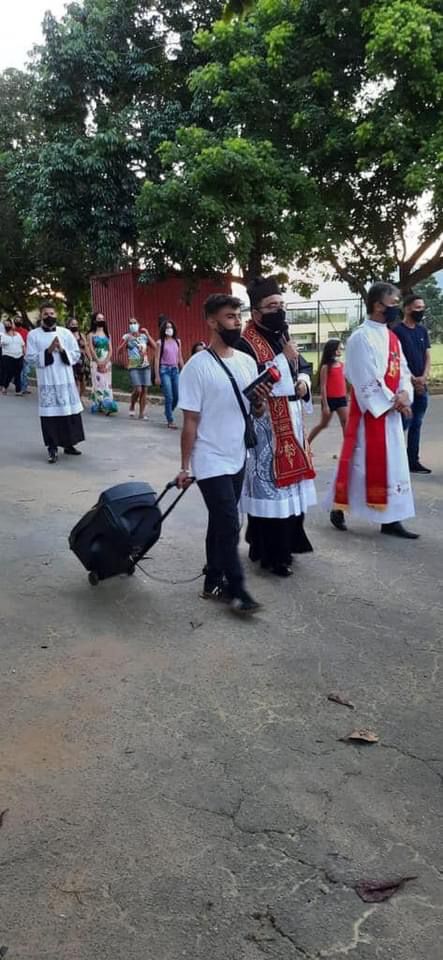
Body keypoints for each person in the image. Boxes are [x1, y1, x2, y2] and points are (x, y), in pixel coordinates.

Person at [177, 293, 268, 615]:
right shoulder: (196, 368)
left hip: (237, 454)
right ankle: (237, 589)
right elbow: (190, 421)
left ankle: (212, 581)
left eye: (238, 316)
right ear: (212, 322)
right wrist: (185, 466)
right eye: (230, 317)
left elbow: (255, 412)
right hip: (208, 458)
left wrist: (259, 402)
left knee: (220, 522)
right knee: (230, 523)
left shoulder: (246, 362)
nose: (236, 322)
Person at [236, 276, 316, 577]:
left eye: (281, 304)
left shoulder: (283, 334)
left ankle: (286, 544)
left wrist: (303, 381)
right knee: (269, 491)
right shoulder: (245, 342)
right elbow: (252, 381)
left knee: (291, 488)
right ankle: (272, 554)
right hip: (266, 426)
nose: (279, 310)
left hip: (292, 423)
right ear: (256, 312)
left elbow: (303, 365)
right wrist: (284, 359)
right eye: (272, 306)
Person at [329, 281, 418, 539]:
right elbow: (363, 377)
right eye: (393, 303)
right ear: (378, 305)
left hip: (390, 416)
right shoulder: (360, 337)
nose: (397, 308)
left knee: (394, 467)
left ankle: (391, 519)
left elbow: (403, 371)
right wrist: (393, 401)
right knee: (360, 466)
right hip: (370, 416)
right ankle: (339, 506)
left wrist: (405, 394)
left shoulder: (392, 337)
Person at [26, 302, 85, 463]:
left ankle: (69, 444)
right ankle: (52, 448)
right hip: (48, 380)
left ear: (56, 315)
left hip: (65, 379)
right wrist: (49, 350)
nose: (49, 316)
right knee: (51, 415)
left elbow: (76, 354)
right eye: (46, 314)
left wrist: (63, 350)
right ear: (41, 316)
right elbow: (30, 358)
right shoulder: (34, 335)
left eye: (52, 313)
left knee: (68, 413)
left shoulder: (65, 333)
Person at [394, 293, 432, 474]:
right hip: (405, 387)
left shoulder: (422, 331)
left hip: (421, 386)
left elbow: (427, 356)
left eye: (422, 308)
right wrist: (411, 379)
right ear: (407, 308)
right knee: (402, 424)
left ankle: (413, 461)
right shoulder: (397, 332)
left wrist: (423, 377)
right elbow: (397, 360)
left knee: (417, 423)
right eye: (417, 307)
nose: (420, 311)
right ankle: (395, 461)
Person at [308, 339, 348, 445]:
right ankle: (307, 442)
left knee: (345, 422)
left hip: (341, 399)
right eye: (338, 348)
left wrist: (347, 395)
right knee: (323, 424)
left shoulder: (342, 365)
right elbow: (323, 386)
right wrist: (325, 405)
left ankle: (347, 447)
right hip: (329, 400)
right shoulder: (325, 367)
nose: (340, 350)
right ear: (333, 350)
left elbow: (344, 382)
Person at [117, 318, 156, 420]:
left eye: (135, 323)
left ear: (138, 324)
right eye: (131, 323)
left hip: (145, 365)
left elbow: (155, 347)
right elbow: (119, 351)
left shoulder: (143, 336)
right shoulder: (126, 336)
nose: (133, 325)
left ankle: (142, 413)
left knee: (145, 389)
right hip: (133, 365)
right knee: (138, 389)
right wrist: (125, 342)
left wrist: (148, 334)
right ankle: (132, 404)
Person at [155, 318, 184, 429]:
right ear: (163, 329)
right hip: (164, 370)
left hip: (175, 370)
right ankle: (170, 420)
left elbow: (180, 357)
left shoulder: (177, 342)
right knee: (169, 396)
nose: (169, 329)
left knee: (177, 396)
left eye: (171, 327)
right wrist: (157, 376)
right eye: (167, 327)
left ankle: (168, 411)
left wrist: (184, 370)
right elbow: (157, 359)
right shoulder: (160, 343)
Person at [86, 312, 118, 415]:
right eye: (99, 319)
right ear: (94, 321)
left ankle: (107, 405)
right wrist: (98, 362)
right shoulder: (90, 335)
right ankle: (98, 403)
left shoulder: (107, 334)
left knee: (107, 384)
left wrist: (105, 362)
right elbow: (91, 349)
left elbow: (110, 350)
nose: (101, 320)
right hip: (95, 363)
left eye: (102, 318)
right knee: (98, 383)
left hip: (107, 363)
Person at [0, 318, 25, 395]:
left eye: (8, 324)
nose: (7, 326)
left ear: (12, 325)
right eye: (5, 325)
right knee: (9, 373)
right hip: (7, 356)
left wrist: (24, 354)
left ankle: (18, 390)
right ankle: (5, 387)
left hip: (19, 356)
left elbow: (23, 345)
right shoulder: (2, 335)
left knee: (18, 373)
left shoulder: (18, 335)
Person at [67, 317, 87, 397]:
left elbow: (86, 347)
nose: (74, 326)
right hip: (72, 361)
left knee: (83, 381)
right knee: (76, 381)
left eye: (76, 324)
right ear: (68, 325)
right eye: (72, 324)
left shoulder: (81, 335)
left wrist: (90, 358)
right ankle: (77, 399)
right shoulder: (67, 335)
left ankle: (80, 396)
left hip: (81, 360)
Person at [14, 314, 33, 394]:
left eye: (19, 321)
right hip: (15, 354)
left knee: (25, 372)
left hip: (24, 354)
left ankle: (24, 388)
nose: (18, 322)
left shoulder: (25, 332)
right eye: (16, 321)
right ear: (14, 322)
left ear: (22, 322)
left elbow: (28, 343)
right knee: (19, 372)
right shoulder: (12, 331)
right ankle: (20, 388)